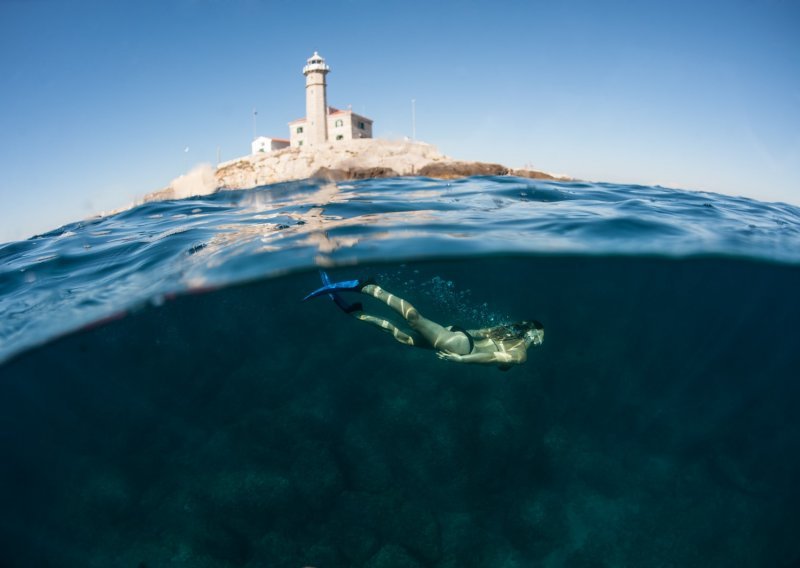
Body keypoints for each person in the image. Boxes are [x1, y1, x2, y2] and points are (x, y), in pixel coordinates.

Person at [303, 272, 544, 369]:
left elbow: (481, 332)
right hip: (460, 346)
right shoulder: (521, 353)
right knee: (415, 321)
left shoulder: (505, 332)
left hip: (462, 337)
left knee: (405, 338)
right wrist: (462, 359)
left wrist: (456, 333)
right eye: (540, 338)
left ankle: (356, 313)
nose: (540, 342)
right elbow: (492, 357)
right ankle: (370, 288)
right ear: (532, 335)